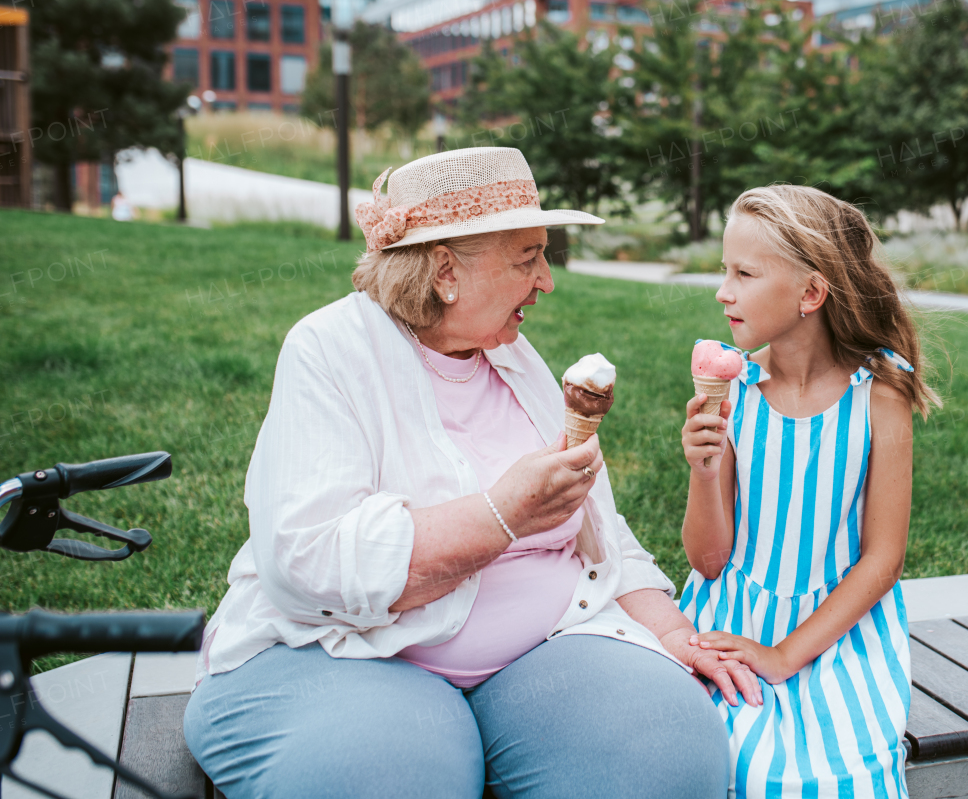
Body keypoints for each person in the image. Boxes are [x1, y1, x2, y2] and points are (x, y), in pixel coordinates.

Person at [183, 147, 759, 799]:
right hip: (349, 655)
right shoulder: (329, 351)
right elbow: (305, 560)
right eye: (527, 258)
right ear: (446, 272)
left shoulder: (513, 358)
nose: (546, 281)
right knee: (393, 777)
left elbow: (604, 533)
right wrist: (501, 515)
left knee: (671, 752)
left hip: (540, 654)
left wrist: (673, 632)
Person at [677, 185, 942, 798]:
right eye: (725, 271)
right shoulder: (735, 391)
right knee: (720, 753)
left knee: (832, 769)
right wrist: (703, 467)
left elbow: (883, 558)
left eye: (743, 273)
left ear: (811, 293)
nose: (723, 291)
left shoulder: (879, 393)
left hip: (838, 628)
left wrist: (782, 657)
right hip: (731, 613)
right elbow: (708, 560)